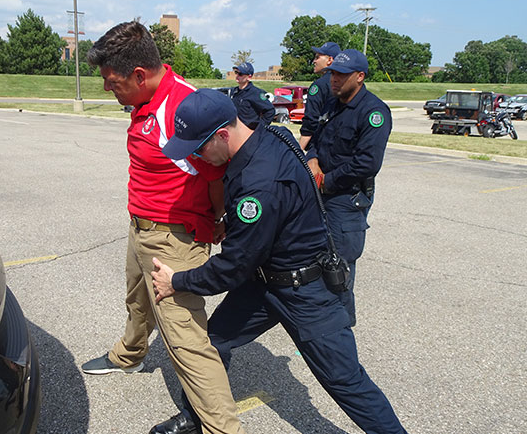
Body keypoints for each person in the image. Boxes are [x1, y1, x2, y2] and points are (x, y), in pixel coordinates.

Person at [150, 88, 407, 434]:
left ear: (223, 135)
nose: (197, 157)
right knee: (212, 343)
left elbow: (231, 267)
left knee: (346, 381)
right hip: (265, 280)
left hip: (307, 292)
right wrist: (237, 223)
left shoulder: (259, 185)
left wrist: (176, 281)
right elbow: (274, 212)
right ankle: (198, 416)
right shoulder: (273, 134)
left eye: (198, 148)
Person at [80, 21, 245, 434]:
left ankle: (224, 428)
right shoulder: (144, 100)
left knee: (185, 339)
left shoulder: (183, 107)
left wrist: (219, 220)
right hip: (141, 226)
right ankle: (129, 353)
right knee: (137, 301)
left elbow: (220, 171)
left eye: (112, 82)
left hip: (174, 237)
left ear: (139, 75)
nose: (106, 90)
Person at [306, 48, 392, 327]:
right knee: (314, 259)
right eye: (333, 74)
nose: (334, 80)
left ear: (360, 76)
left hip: (346, 198)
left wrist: (326, 181)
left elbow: (367, 163)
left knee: (337, 269)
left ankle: (341, 330)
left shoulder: (373, 112)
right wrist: (313, 160)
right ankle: (323, 325)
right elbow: (315, 139)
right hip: (321, 194)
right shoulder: (332, 103)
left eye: (342, 75)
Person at [299, 41, 341, 150]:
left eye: (317, 57)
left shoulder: (319, 86)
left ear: (330, 60)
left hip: (321, 145)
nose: (314, 61)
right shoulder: (345, 84)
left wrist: (299, 150)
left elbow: (310, 121)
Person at [230, 62, 275, 129]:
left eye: (240, 74)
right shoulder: (233, 92)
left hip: (249, 133)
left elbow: (270, 111)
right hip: (235, 132)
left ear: (249, 77)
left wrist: (259, 128)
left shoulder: (257, 93)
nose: (237, 76)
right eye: (236, 72)